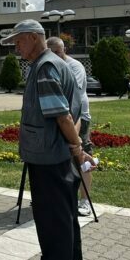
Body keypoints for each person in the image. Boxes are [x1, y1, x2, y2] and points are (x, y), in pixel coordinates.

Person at [1, 19, 94, 260]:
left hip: (49, 158)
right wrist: (75, 148)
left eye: (18, 41)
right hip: (57, 156)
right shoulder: (57, 64)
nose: (16, 48)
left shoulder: (45, 67)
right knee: (65, 221)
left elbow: (63, 115)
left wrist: (77, 148)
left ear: (33, 37)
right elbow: (75, 112)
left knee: (53, 224)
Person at [47, 37, 93, 217]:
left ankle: (85, 200)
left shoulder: (75, 67)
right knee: (58, 158)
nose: (55, 56)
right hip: (59, 118)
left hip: (79, 117)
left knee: (82, 156)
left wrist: (74, 130)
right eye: (51, 53)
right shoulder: (49, 66)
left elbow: (73, 97)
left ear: (64, 50)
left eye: (58, 52)